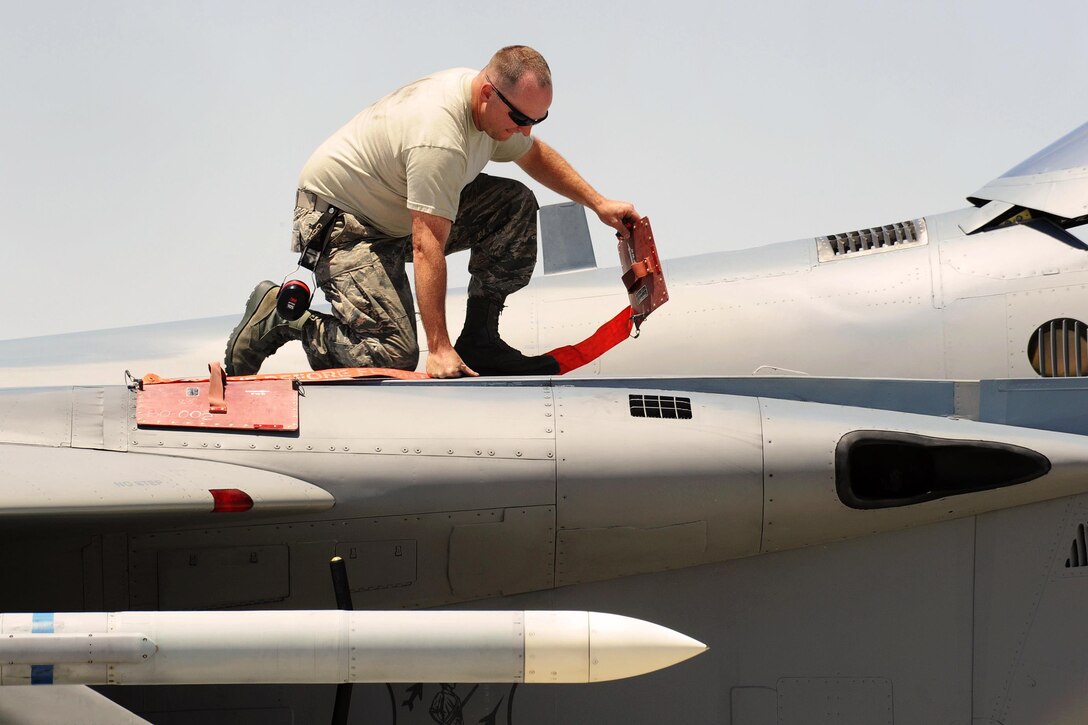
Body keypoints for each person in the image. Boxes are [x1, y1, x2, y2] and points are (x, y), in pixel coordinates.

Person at [224, 45, 638, 378]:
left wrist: (598, 203)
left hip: (392, 208)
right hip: (343, 222)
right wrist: (438, 349)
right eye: (519, 119)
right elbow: (426, 244)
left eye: (538, 118)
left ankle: (481, 339)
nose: (526, 130)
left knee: (512, 205)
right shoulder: (440, 138)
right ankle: (283, 317)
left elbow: (534, 156)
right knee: (391, 354)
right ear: (487, 93)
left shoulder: (493, 114)